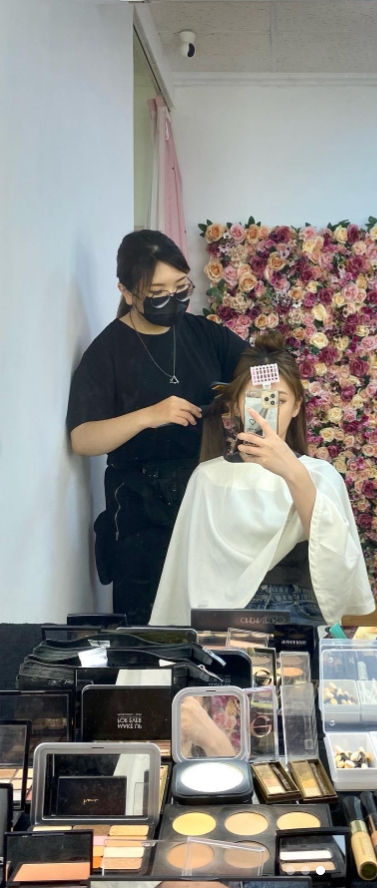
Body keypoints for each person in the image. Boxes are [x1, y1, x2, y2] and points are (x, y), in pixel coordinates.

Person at [67, 230, 247, 624]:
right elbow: (82, 438)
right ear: (127, 292)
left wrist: (247, 394)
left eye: (181, 287)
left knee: (213, 616)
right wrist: (147, 416)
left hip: (208, 491)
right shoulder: (108, 351)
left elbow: (264, 369)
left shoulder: (204, 333)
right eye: (158, 293)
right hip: (141, 507)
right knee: (147, 625)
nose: (174, 300)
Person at [150, 332, 375, 627]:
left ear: (296, 407)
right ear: (235, 406)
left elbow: (334, 558)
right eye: (254, 400)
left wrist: (293, 473)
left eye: (279, 400)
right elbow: (191, 571)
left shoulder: (320, 474)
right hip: (221, 616)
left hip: (298, 609)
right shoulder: (208, 477)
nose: (266, 411)